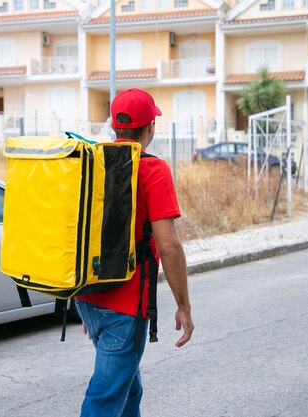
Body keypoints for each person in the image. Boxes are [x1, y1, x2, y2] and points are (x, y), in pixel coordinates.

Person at [74, 88, 194, 417]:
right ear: (151, 126)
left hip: (87, 297)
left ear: (115, 125)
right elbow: (168, 246)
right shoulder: (152, 169)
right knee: (105, 398)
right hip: (125, 308)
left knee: (128, 389)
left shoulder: (94, 161)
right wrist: (184, 306)